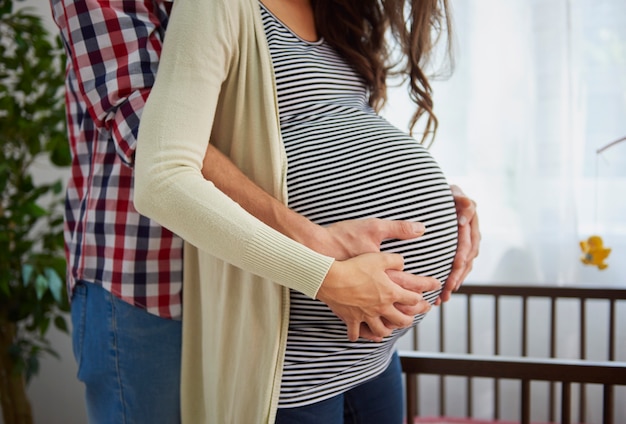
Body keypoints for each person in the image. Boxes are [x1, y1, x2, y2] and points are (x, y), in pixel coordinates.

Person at [49, 0, 479, 422]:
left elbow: (326, 124)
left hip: (347, 327)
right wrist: (319, 256)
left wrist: (435, 196)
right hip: (151, 276)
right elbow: (148, 133)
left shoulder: (331, 11)